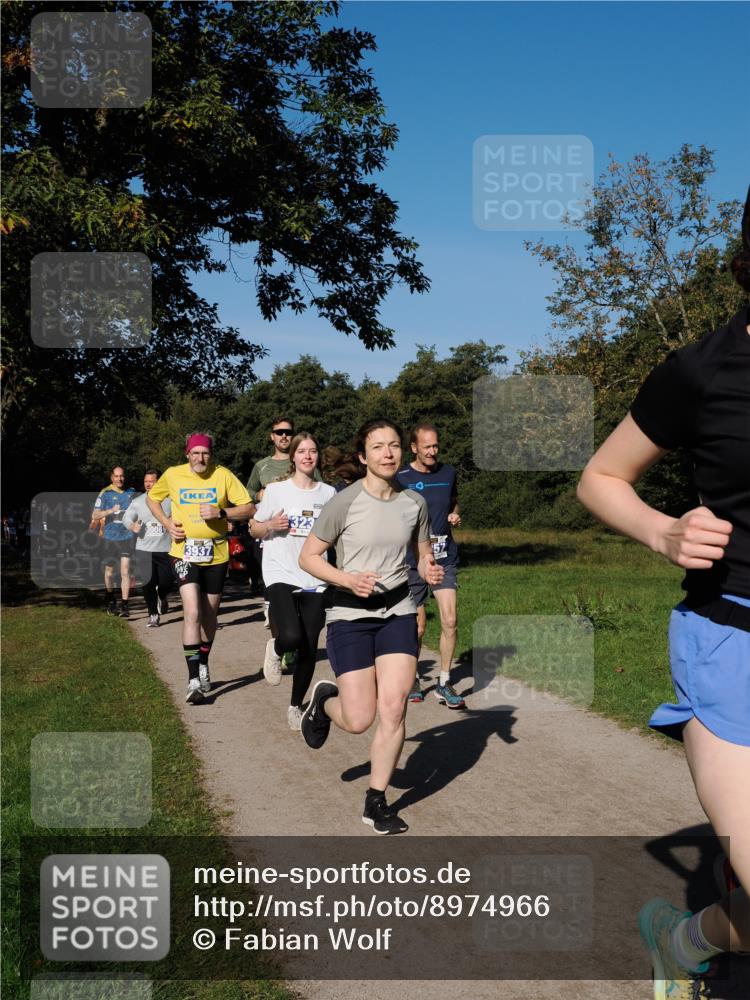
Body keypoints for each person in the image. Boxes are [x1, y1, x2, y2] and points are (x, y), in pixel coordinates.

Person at [577, 196, 750, 1000]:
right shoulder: (702, 369)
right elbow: (601, 477)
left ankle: (685, 940)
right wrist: (663, 533)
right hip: (730, 639)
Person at [298, 418, 444, 834]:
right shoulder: (344, 503)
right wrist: (347, 579)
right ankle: (325, 699)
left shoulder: (413, 503)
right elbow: (308, 557)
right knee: (359, 718)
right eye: (378, 447)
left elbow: (420, 553)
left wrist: (428, 569)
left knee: (394, 708)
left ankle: (376, 801)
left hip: (397, 609)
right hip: (350, 613)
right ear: (363, 456)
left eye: (394, 445)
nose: (388, 453)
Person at [147, 433, 254, 703]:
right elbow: (152, 498)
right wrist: (166, 522)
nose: (200, 458)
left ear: (211, 454)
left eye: (204, 453)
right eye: (195, 453)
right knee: (192, 611)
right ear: (187, 454)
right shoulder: (173, 474)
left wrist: (222, 513)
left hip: (216, 553)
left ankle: (203, 660)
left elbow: (249, 508)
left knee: (209, 614)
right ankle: (193, 679)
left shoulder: (223, 475)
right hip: (184, 553)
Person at [250, 433, 335, 729]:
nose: (308, 456)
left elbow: (337, 534)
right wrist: (270, 525)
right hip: (280, 571)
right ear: (294, 457)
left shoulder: (329, 494)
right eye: (302, 451)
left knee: (309, 645)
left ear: (318, 457)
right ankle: (275, 649)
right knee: (291, 636)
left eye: (313, 451)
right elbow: (254, 530)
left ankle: (295, 706)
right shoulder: (276, 491)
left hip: (315, 576)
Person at [397, 422, 464, 708]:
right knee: (419, 626)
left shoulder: (448, 473)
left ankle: (444, 682)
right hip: (411, 560)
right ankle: (411, 678)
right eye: (427, 446)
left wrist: (454, 515)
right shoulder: (400, 477)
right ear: (414, 447)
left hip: (443, 555)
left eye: (436, 445)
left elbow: (454, 502)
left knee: (450, 620)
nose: (433, 451)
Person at [122, 470, 173, 627]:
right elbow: (126, 517)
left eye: (152, 481)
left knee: (166, 582)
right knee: (148, 582)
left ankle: (162, 596)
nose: (149, 484)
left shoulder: (170, 500)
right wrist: (132, 525)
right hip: (144, 549)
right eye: (146, 481)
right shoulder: (138, 501)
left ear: (159, 482)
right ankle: (153, 614)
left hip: (166, 548)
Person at [91, 466, 137, 617]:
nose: (120, 479)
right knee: (109, 572)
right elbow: (95, 515)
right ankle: (111, 599)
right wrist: (110, 511)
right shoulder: (105, 493)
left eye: (122, 476)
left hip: (126, 537)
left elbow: (140, 511)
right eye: (117, 476)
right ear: (112, 478)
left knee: (125, 571)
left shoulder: (131, 492)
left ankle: (125, 606)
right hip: (110, 538)